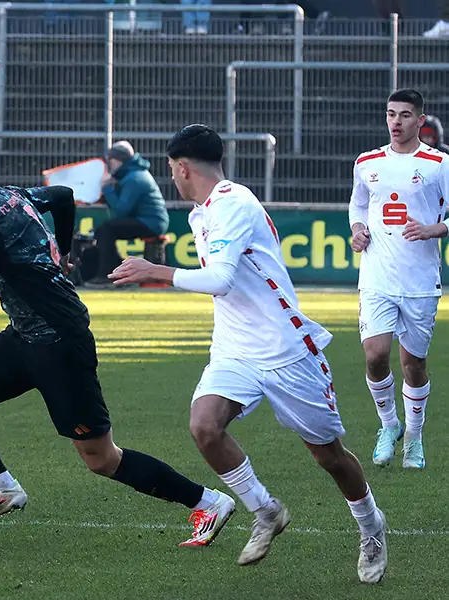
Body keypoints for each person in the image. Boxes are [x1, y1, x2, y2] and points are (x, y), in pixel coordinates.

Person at [0, 137, 236, 546]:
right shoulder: (15, 197)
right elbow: (62, 196)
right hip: (28, 334)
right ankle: (1, 486)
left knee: (101, 458)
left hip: (59, 343)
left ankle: (207, 502)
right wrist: (65, 251)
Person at [109, 124, 388, 583]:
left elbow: (218, 278)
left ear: (180, 168)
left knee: (329, 456)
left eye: (171, 171)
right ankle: (266, 510)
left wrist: (154, 269)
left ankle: (371, 525)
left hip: (285, 350)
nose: (172, 179)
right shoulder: (204, 212)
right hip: (235, 348)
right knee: (204, 425)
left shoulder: (232, 204)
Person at [349, 89, 449, 470]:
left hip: (420, 280)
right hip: (376, 275)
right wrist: (357, 229)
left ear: (420, 121)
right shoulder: (367, 162)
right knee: (375, 355)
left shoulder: (439, 164)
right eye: (391, 114)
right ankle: (389, 425)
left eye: (405, 115)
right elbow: (358, 204)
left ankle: (415, 438)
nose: (396, 122)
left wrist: (433, 229)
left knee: (413, 364)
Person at [89, 141, 168, 283]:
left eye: (111, 160)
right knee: (105, 229)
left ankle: (108, 273)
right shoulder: (133, 174)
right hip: (149, 220)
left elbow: (121, 211)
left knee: (106, 230)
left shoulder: (134, 178)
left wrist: (107, 189)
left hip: (151, 223)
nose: (109, 164)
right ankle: (118, 268)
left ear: (120, 160)